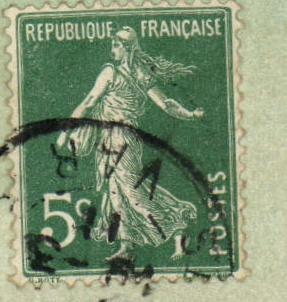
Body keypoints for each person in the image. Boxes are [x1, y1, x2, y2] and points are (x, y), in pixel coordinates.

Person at [55, 26, 205, 263]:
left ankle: (178, 223)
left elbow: (90, 101)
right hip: (111, 139)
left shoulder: (115, 73)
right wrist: (189, 114)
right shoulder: (138, 74)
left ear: (126, 48)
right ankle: (127, 246)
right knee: (116, 193)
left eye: (116, 45)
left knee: (132, 192)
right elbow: (167, 104)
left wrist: (65, 131)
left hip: (123, 138)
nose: (112, 49)